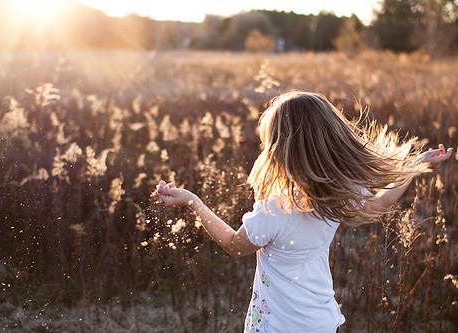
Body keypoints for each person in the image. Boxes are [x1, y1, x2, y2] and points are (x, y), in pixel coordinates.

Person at [154, 91, 453, 333]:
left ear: (281, 149)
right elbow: (379, 203)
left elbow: (234, 245)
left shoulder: (275, 211)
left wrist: (193, 201)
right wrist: (414, 168)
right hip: (320, 321)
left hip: (274, 327)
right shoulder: (338, 196)